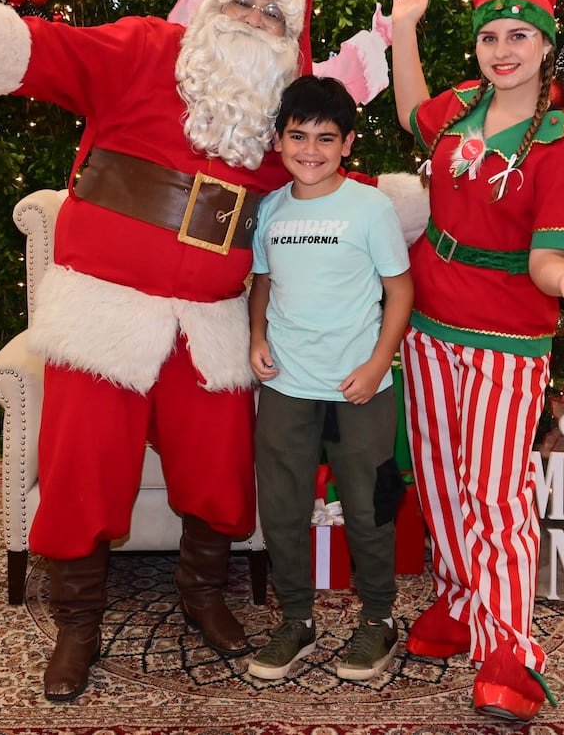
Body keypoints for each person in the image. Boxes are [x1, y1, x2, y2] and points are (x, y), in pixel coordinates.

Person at [0, 0, 429, 703]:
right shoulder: (147, 50)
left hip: (214, 326)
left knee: (219, 472)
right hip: (104, 313)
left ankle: (204, 595)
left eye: (273, 13)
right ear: (211, 4)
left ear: (292, 37)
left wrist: (398, 201)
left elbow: (321, 181)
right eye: (242, 3)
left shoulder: (280, 107)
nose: (253, 20)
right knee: (82, 468)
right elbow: (52, 54)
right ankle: (78, 623)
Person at [389, 0, 564, 722]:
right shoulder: (460, 108)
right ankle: (460, 601)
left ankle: (511, 651)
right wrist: (405, 28)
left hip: (504, 340)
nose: (502, 50)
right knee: (440, 484)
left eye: (518, 36)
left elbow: (543, 258)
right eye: (491, 36)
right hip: (428, 328)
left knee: (496, 498)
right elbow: (409, 112)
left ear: (546, 46)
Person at [247, 74, 414, 681]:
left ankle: (378, 620)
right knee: (283, 508)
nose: (309, 150)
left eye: (325, 137)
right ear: (280, 140)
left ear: (347, 144)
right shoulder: (270, 209)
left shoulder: (369, 208)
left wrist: (376, 365)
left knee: (369, 508)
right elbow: (262, 280)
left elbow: (401, 290)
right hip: (288, 386)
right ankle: (295, 618)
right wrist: (257, 337)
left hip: (359, 390)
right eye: (297, 136)